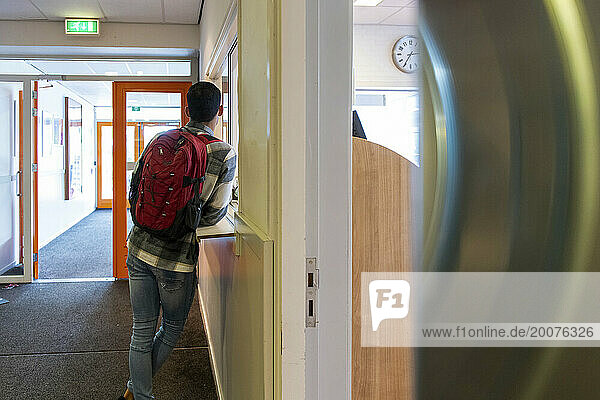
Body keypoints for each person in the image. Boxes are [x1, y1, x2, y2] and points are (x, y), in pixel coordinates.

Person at [119, 81, 236, 400]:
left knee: (140, 330)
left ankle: (139, 395)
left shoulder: (160, 138)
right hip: (176, 259)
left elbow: (136, 188)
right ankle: (134, 390)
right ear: (219, 112)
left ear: (187, 111)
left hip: (139, 247)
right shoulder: (223, 153)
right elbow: (212, 217)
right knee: (170, 329)